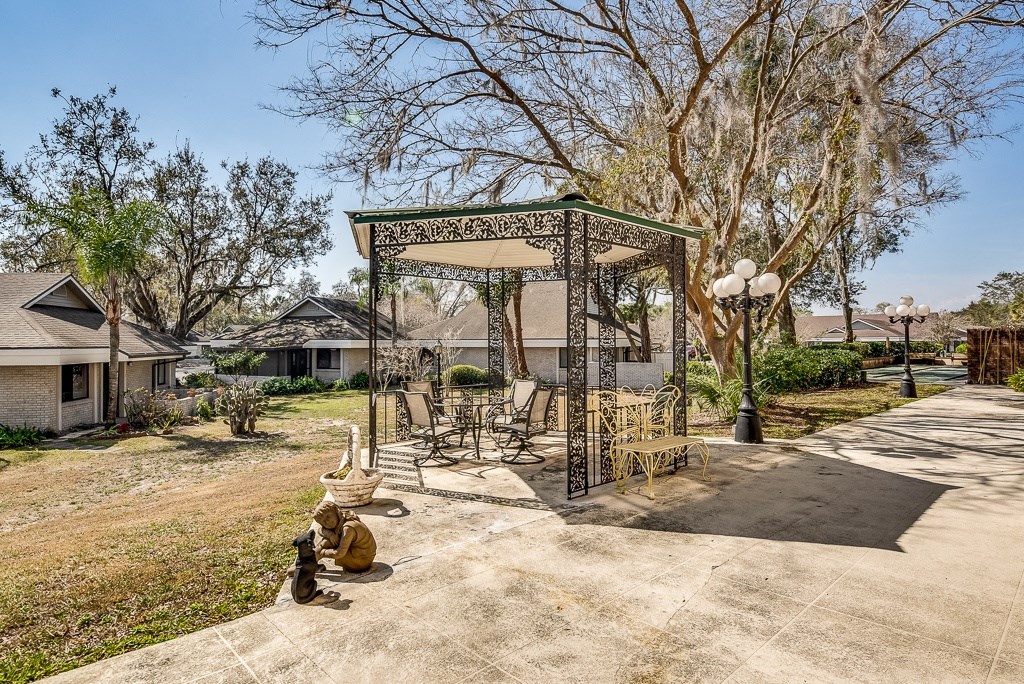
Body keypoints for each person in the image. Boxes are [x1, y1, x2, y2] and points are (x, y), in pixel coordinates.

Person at [312, 501, 377, 573]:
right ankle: (311, 561)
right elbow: (321, 530)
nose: (327, 522)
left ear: (336, 511)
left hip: (362, 560)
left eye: (328, 517)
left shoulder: (348, 528)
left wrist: (322, 553)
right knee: (328, 539)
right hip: (358, 553)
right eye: (323, 522)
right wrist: (330, 534)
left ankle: (310, 562)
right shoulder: (342, 517)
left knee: (326, 542)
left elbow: (339, 553)